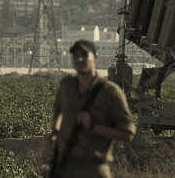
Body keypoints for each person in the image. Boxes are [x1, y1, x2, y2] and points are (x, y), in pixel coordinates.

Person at [47, 40, 136, 178]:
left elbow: (127, 134)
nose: (79, 59)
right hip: (64, 167)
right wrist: (55, 131)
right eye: (76, 56)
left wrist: (94, 126)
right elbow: (58, 108)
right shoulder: (66, 86)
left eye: (84, 55)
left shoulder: (110, 92)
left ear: (95, 58)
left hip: (93, 169)